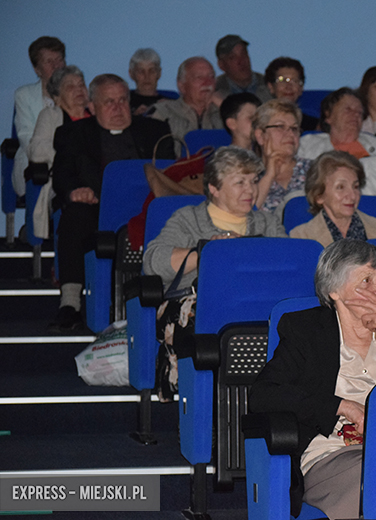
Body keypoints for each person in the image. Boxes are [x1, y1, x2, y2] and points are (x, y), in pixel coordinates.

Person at [249, 239, 376, 519]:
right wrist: (340, 406)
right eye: (367, 280)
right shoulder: (306, 331)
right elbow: (264, 394)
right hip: (334, 457)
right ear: (334, 290)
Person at [143, 146, 286, 400]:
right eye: (240, 182)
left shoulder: (268, 222)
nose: (251, 190)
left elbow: (287, 267)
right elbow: (153, 260)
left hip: (257, 303)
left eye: (253, 181)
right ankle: (204, 406)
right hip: (197, 302)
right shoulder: (188, 219)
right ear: (214, 188)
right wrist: (208, 252)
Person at [51, 74, 174, 330]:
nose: (118, 108)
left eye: (122, 100)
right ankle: (70, 302)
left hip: (147, 210)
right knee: (74, 213)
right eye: (109, 102)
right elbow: (62, 174)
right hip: (96, 210)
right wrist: (75, 191)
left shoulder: (156, 131)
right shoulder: (73, 133)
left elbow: (170, 177)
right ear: (92, 107)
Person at [27, 65, 91, 240]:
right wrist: (74, 153)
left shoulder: (97, 115)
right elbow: (37, 151)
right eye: (71, 86)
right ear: (56, 96)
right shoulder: (50, 116)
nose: (79, 90)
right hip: (64, 181)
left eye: (82, 85)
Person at [290, 151, 376, 247]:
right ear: (319, 196)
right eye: (340, 187)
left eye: (355, 186)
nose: (352, 196)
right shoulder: (300, 237)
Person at [13, 36, 66, 197]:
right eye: (49, 62)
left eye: (59, 60)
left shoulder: (77, 94)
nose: (57, 66)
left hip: (69, 165)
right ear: (37, 69)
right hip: (35, 167)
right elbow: (26, 137)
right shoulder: (24, 95)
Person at [148, 57, 223, 155]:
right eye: (199, 78)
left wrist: (225, 107)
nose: (207, 83)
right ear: (181, 86)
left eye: (211, 76)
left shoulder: (224, 112)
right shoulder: (163, 112)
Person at [251, 98, 311, 213]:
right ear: (260, 136)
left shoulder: (315, 170)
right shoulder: (247, 175)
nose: (290, 134)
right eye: (280, 127)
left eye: (294, 128)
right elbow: (243, 218)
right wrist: (269, 176)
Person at [297, 88, 376, 160]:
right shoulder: (307, 145)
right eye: (348, 109)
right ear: (328, 116)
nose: (355, 115)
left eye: (359, 112)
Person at [264, 56, 318, 132]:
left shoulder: (315, 127)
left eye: (294, 81)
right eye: (282, 80)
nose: (288, 87)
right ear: (271, 87)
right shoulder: (261, 123)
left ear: (301, 88)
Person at [213, 34, 272, 103]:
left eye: (244, 54)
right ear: (221, 65)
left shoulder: (271, 86)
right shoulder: (213, 91)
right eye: (232, 57)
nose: (241, 61)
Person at [128, 48, 165, 115]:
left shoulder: (171, 102)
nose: (147, 76)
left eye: (152, 71)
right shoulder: (123, 102)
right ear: (131, 74)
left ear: (159, 73)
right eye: (141, 72)